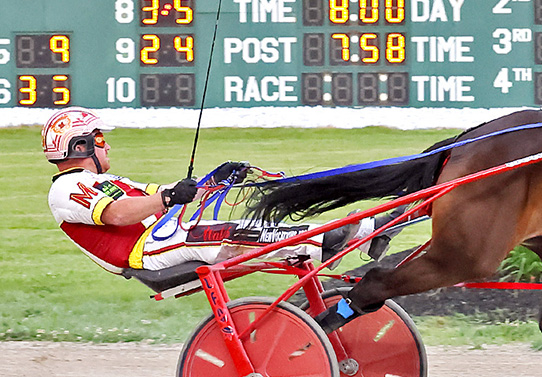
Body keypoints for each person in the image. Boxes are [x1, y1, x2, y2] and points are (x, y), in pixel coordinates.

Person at [43, 107, 395, 275]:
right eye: (100, 139)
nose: (107, 147)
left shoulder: (111, 182)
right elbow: (117, 215)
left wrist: (214, 181)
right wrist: (167, 198)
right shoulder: (66, 189)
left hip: (162, 237)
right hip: (146, 252)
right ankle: (330, 239)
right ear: (80, 147)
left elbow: (172, 195)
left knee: (239, 230)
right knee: (225, 232)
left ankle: (364, 231)